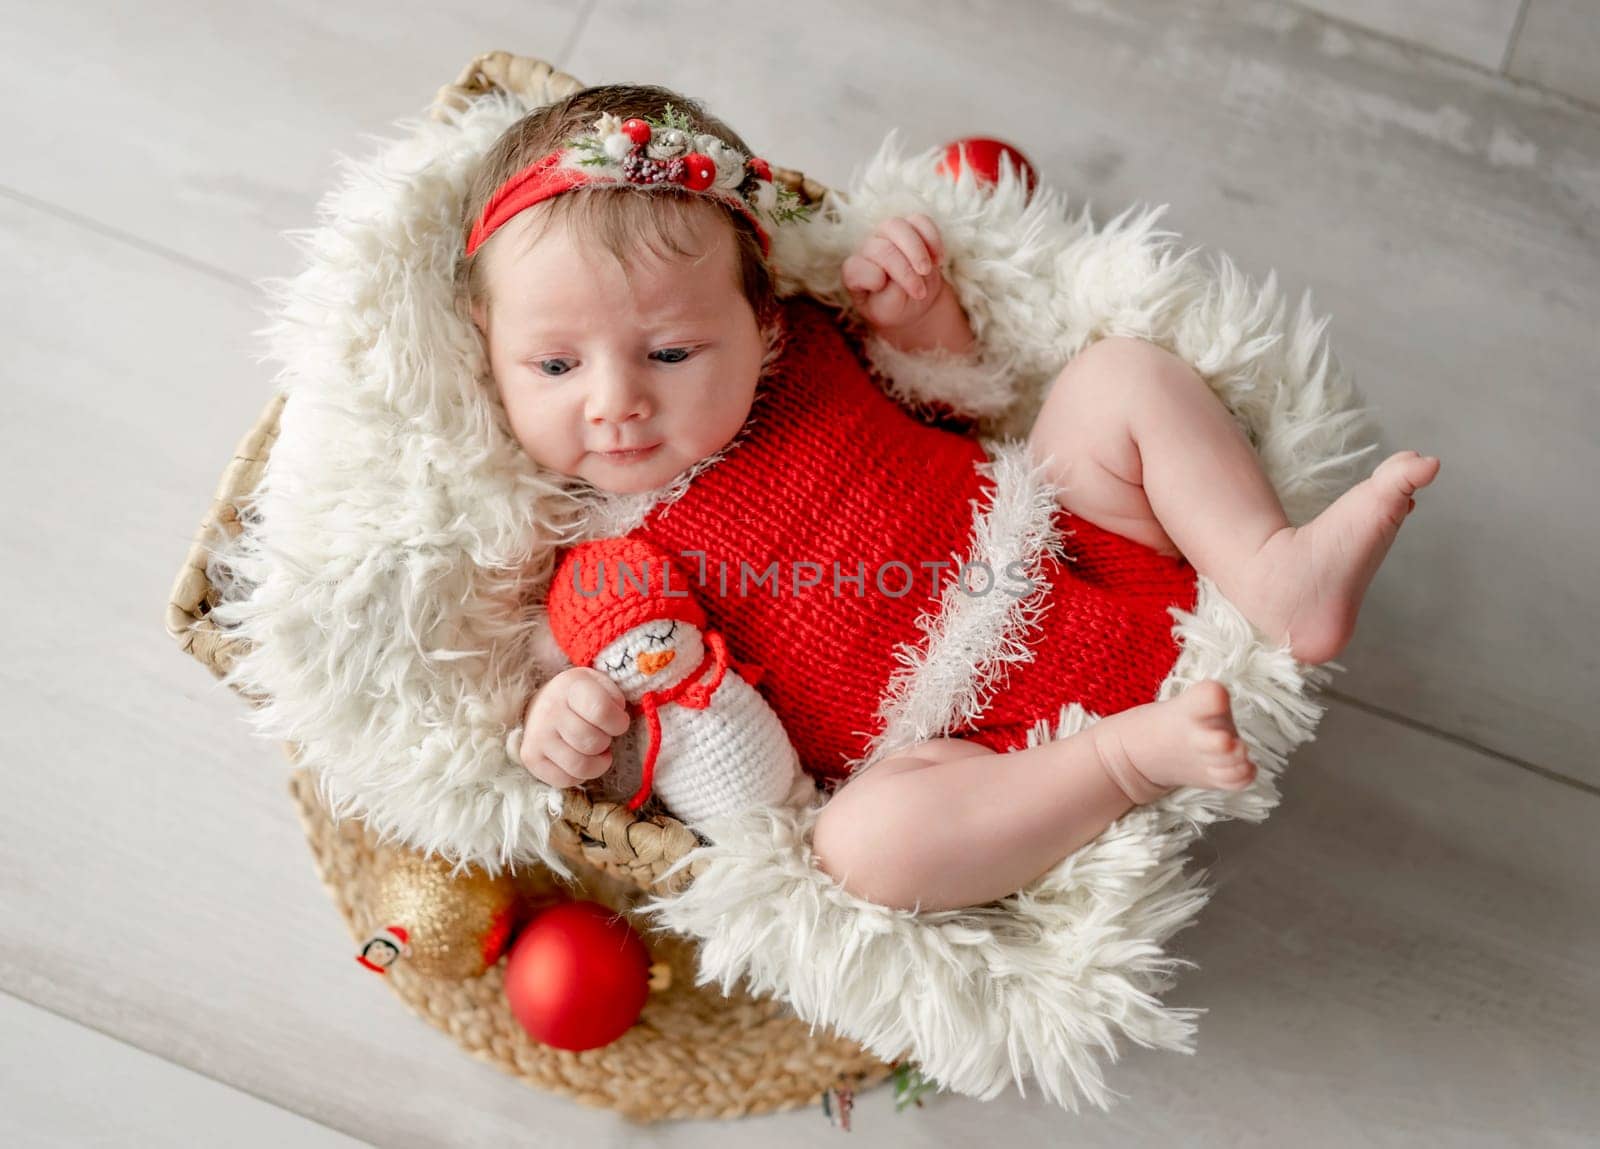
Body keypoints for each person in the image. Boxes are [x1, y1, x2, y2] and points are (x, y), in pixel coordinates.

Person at [456, 83, 1440, 913]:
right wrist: (568, 719)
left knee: (1117, 378)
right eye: (552, 364)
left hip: (1071, 543)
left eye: (671, 353)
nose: (615, 402)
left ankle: (1272, 574)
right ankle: (1127, 762)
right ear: (489, 352)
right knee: (865, 849)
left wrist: (920, 318)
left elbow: (960, 401)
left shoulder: (805, 350)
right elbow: (668, 717)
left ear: (757, 322)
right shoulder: (586, 559)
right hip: (966, 751)